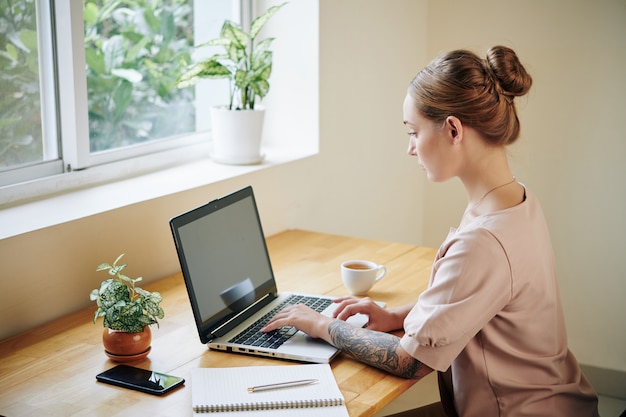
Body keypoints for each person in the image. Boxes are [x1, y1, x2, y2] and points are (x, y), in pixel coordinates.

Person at [262, 45, 599, 417]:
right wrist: (396, 316)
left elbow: (409, 360)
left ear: (453, 129)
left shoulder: (483, 241)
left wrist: (321, 324)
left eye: (413, 132)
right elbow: (475, 303)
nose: (410, 149)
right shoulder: (516, 201)